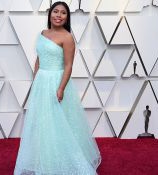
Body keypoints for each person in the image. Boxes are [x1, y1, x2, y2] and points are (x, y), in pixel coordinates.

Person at [14, 1, 101, 175]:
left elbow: (68, 66)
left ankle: (64, 160)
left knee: (59, 123)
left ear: (67, 17)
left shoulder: (67, 37)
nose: (58, 15)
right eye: (56, 11)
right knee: (43, 123)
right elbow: (39, 59)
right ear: (50, 14)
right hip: (41, 82)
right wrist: (35, 81)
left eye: (63, 13)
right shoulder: (42, 33)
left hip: (57, 82)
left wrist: (61, 88)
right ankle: (45, 159)